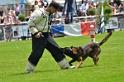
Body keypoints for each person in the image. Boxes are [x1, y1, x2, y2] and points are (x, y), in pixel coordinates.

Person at [26, 2, 75, 74]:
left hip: (47, 35)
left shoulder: (50, 14)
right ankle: (29, 70)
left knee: (56, 49)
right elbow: (30, 24)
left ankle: (65, 66)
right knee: (37, 53)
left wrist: (50, 34)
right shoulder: (38, 13)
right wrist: (36, 33)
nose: (55, 12)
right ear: (51, 7)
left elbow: (47, 25)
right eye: (55, 10)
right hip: (38, 35)